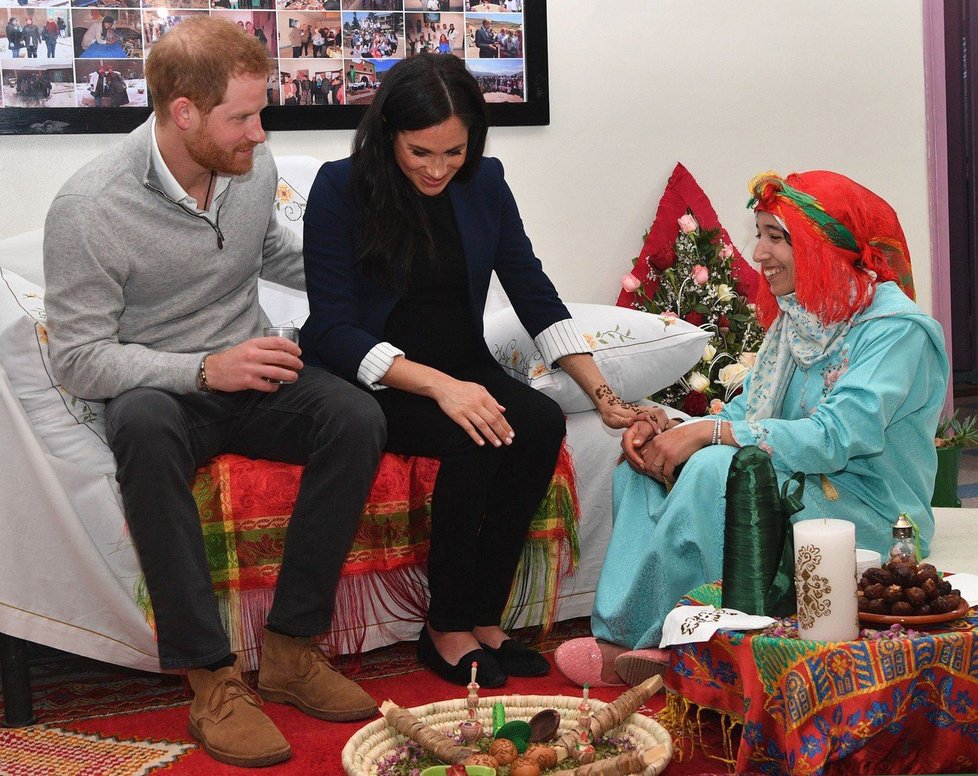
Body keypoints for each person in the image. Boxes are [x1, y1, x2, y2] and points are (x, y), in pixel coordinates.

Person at [43, 17, 386, 768]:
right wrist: (202, 369)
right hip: (162, 388)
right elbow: (78, 359)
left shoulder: (243, 169)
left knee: (357, 415)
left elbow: (267, 251)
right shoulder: (89, 207)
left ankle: (293, 651)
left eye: (260, 113)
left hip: (250, 375)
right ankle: (213, 680)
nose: (259, 135)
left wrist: (371, 272)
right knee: (140, 425)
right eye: (243, 117)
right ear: (183, 112)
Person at [301, 53, 655, 689]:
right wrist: (440, 387)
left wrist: (600, 393)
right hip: (373, 375)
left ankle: (484, 617)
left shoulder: (484, 182)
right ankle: (444, 627)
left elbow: (532, 291)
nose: (438, 169)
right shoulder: (339, 189)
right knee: (474, 435)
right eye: (420, 152)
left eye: (453, 152)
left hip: (460, 363)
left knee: (541, 422)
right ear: (388, 135)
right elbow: (331, 327)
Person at [554, 170, 950, 688]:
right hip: (796, 482)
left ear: (824, 246)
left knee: (719, 470)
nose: (758, 253)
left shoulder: (897, 332)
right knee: (647, 466)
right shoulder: (803, 316)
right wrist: (671, 427)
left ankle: (665, 645)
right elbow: (748, 415)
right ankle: (639, 635)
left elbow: (833, 438)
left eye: (775, 237)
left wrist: (707, 438)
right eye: (758, 234)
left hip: (871, 512)